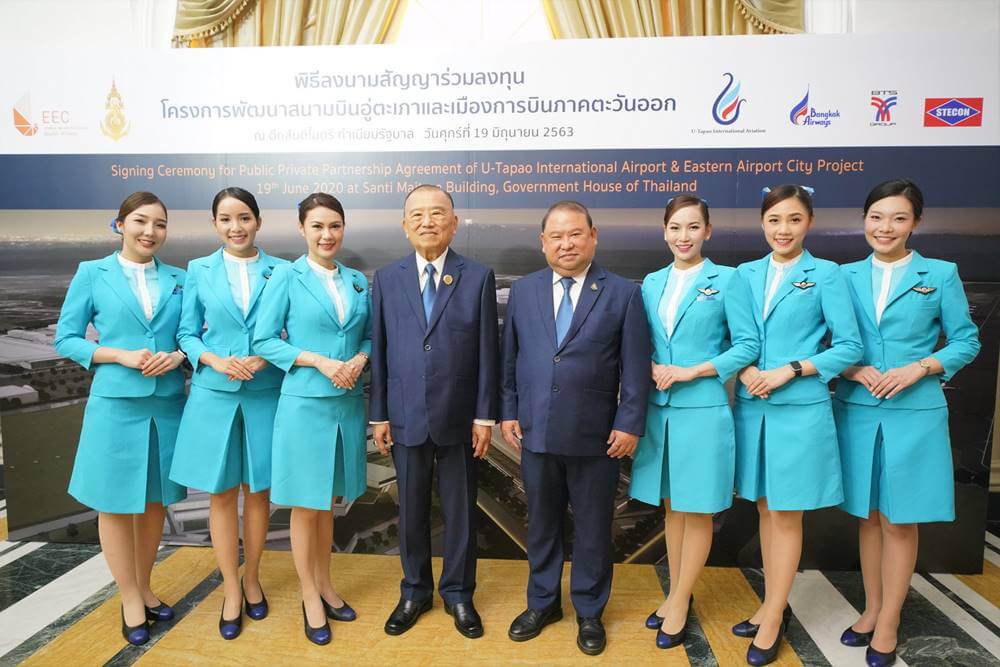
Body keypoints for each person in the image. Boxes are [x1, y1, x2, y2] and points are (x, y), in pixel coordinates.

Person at [835, 179, 980, 667]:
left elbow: (965, 340)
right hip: (856, 409)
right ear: (864, 220)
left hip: (914, 414)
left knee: (900, 519)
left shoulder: (939, 273)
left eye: (898, 217)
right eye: (876, 216)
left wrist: (920, 367)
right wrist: (852, 368)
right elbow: (826, 341)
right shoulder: (843, 276)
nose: (885, 227)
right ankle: (872, 608)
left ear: (916, 222)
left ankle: (890, 619)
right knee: (869, 514)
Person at [500, 200, 650, 657]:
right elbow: (511, 359)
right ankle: (542, 603)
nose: (566, 244)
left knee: (591, 528)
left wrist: (629, 422)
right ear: (543, 241)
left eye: (575, 234)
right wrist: (508, 411)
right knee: (541, 525)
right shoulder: (524, 292)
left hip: (597, 438)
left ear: (593, 236)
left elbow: (636, 367)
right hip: (536, 433)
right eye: (556, 236)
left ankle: (589, 610)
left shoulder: (622, 293)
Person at [733, 185, 862, 666]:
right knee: (765, 510)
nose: (782, 230)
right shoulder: (744, 274)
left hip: (798, 408)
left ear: (808, 222)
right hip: (752, 405)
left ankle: (771, 620)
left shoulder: (826, 274)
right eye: (773, 220)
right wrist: (746, 372)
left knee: (786, 514)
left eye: (792, 220)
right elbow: (732, 336)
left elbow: (848, 346)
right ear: (762, 223)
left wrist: (790, 369)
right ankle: (773, 604)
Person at [54, 191, 187, 646]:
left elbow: (192, 335)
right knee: (113, 504)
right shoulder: (92, 274)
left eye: (160, 224)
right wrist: (117, 356)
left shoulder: (180, 278)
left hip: (165, 403)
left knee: (154, 501)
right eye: (140, 221)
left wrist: (177, 356)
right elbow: (66, 339)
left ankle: (145, 585)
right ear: (119, 225)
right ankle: (129, 596)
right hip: (114, 404)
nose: (150, 231)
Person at [629, 196, 759, 649]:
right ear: (664, 231)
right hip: (659, 410)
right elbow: (639, 339)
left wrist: (691, 370)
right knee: (672, 506)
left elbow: (747, 345)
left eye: (693, 227)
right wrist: (644, 365)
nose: (683, 236)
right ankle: (675, 594)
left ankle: (680, 600)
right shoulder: (652, 281)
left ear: (708, 231)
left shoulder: (728, 280)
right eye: (675, 227)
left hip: (702, 408)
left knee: (698, 507)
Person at [369, 184, 499, 639]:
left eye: (437, 213)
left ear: (454, 222)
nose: (428, 221)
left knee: (462, 510)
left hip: (460, 417)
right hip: (405, 415)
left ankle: (459, 594)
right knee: (412, 512)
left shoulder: (477, 276)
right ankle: (414, 591)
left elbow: (488, 351)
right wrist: (379, 413)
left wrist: (485, 416)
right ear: (405, 226)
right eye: (418, 215)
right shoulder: (387, 278)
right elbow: (381, 350)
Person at [252, 193, 370, 646]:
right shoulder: (285, 277)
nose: (327, 235)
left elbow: (371, 336)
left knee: (328, 506)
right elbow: (264, 340)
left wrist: (360, 357)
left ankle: (325, 583)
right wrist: (317, 362)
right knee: (306, 505)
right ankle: (310, 595)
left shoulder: (357, 280)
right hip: (304, 403)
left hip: (346, 404)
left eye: (335, 226)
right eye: (318, 226)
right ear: (302, 229)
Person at [170, 187, 287, 639]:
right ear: (215, 224)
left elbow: (290, 330)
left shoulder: (283, 270)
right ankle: (232, 589)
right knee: (220, 494)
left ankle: (254, 578)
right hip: (215, 392)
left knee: (258, 493)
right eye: (225, 219)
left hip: (264, 391)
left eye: (243, 217)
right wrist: (214, 360)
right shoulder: (198, 270)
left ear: (258, 221)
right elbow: (186, 333)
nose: (235, 226)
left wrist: (264, 358)